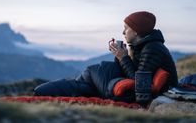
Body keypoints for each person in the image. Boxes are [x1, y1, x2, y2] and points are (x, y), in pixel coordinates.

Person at [34, 11, 178, 102]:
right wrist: (120, 55)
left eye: (126, 28)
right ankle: (51, 90)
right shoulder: (142, 45)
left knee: (91, 71)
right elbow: (132, 71)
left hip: (135, 94)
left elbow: (140, 83)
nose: (123, 32)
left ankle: (47, 91)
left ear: (136, 31)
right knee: (88, 79)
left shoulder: (152, 49)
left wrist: (123, 58)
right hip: (121, 83)